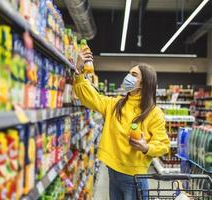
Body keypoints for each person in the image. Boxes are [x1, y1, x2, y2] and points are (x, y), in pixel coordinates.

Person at [73, 49, 170, 200]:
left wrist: (146, 147)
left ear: (144, 83)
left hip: (135, 178)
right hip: (113, 172)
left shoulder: (154, 113)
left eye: (134, 75)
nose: (128, 77)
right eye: (129, 73)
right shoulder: (115, 104)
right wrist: (79, 71)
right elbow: (90, 97)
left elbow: (164, 145)